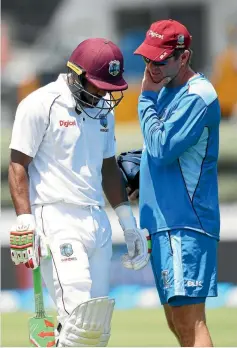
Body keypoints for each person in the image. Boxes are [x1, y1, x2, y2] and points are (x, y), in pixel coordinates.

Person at [8, 38, 150, 347]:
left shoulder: (103, 113)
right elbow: (18, 165)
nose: (102, 93)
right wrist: (24, 220)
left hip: (95, 218)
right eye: (98, 84)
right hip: (55, 215)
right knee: (79, 320)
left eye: (108, 87)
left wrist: (128, 225)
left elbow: (108, 168)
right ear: (76, 73)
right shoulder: (39, 104)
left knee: (96, 326)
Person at [133, 19, 221, 347]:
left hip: (186, 222)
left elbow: (162, 147)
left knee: (190, 322)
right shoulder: (167, 89)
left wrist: (144, 98)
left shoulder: (199, 94)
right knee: (176, 322)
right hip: (163, 222)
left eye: (159, 61)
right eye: (146, 60)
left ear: (183, 58)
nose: (151, 68)